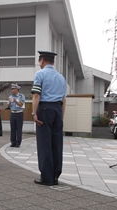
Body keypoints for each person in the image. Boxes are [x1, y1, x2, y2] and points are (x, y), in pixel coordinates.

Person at [31, 51, 67, 186]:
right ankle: (55, 175)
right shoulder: (61, 77)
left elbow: (36, 95)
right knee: (56, 144)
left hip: (45, 110)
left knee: (44, 143)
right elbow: (64, 100)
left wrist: (34, 113)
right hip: (58, 110)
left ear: (42, 61)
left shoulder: (40, 74)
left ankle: (46, 177)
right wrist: (61, 117)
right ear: (53, 62)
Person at [7, 83, 25, 148]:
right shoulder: (10, 96)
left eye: (13, 89)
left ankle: (18, 142)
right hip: (12, 113)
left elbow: (21, 104)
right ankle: (13, 142)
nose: (12, 90)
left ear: (17, 89)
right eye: (11, 89)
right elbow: (8, 106)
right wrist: (9, 102)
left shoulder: (21, 96)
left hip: (19, 113)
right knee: (13, 128)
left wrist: (15, 101)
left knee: (19, 128)